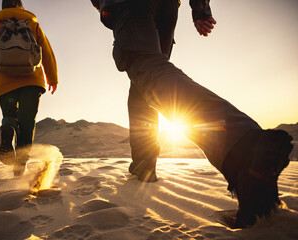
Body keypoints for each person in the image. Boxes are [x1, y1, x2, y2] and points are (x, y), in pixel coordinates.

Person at [91, 0, 293, 228]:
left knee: (147, 68)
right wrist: (200, 7)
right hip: (167, 7)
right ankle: (144, 163)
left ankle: (244, 147)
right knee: (145, 82)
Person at [0, 0, 58, 176]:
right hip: (32, 80)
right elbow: (46, 51)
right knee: (27, 124)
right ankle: (19, 170)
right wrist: (52, 77)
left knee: (10, 115)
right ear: (21, 6)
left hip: (5, 81)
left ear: (3, 7)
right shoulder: (32, 23)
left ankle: (9, 127)